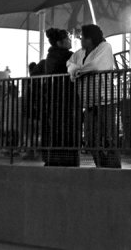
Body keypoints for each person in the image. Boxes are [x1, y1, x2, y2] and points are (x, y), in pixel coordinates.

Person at [68, 24, 119, 168]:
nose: (80, 39)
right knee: (90, 138)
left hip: (105, 99)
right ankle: (101, 165)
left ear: (90, 38)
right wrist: (80, 70)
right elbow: (70, 64)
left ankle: (113, 168)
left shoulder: (105, 47)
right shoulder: (80, 53)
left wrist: (77, 71)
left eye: (83, 37)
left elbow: (97, 66)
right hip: (88, 100)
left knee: (108, 136)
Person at [41, 28, 79, 167]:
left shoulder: (50, 57)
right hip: (66, 97)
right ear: (60, 42)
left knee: (55, 129)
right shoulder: (68, 56)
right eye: (68, 39)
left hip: (53, 98)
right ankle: (68, 159)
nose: (70, 41)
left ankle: (54, 157)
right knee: (68, 128)